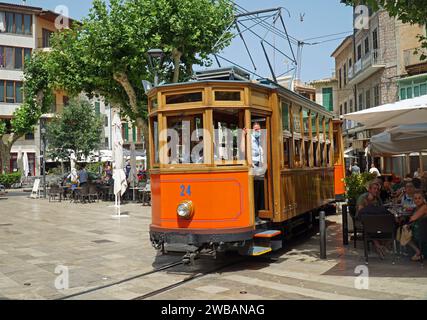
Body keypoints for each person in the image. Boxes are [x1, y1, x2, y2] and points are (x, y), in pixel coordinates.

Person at [243, 122, 266, 223]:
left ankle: (259, 214)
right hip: (253, 170)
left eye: (259, 129)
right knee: (255, 193)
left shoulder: (260, 139)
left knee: (261, 192)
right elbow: (243, 149)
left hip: (261, 170)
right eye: (256, 129)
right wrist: (243, 136)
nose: (258, 131)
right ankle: (254, 215)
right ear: (252, 130)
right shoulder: (249, 138)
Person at [356, 181, 386, 258]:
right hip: (362, 220)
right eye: (374, 189)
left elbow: (381, 210)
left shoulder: (378, 198)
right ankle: (378, 246)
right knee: (370, 225)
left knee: (384, 224)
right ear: (369, 190)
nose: (376, 190)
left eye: (377, 189)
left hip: (374, 220)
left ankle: (380, 245)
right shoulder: (363, 198)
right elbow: (360, 211)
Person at [404, 190, 427, 261]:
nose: (417, 200)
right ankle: (417, 252)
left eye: (419, 198)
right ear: (413, 199)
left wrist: (407, 225)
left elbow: (413, 218)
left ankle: (418, 252)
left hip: (423, 233)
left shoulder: (424, 207)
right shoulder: (417, 207)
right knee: (402, 229)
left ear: (423, 198)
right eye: (415, 198)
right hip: (420, 230)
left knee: (402, 231)